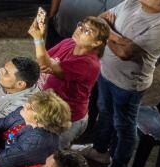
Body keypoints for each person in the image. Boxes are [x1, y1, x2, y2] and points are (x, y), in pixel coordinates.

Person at [73, 0, 160, 167]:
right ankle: (100, 150)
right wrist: (115, 35)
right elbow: (100, 19)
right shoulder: (133, 1)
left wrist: (107, 33)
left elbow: (124, 53)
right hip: (106, 72)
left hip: (128, 84)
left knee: (124, 127)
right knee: (104, 112)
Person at [32, 12, 111, 146]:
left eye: (87, 31)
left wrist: (38, 39)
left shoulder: (89, 64)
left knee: (51, 154)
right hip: (48, 108)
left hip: (65, 118)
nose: (80, 30)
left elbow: (45, 62)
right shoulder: (68, 42)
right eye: (81, 26)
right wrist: (46, 63)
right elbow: (43, 61)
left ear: (97, 42)